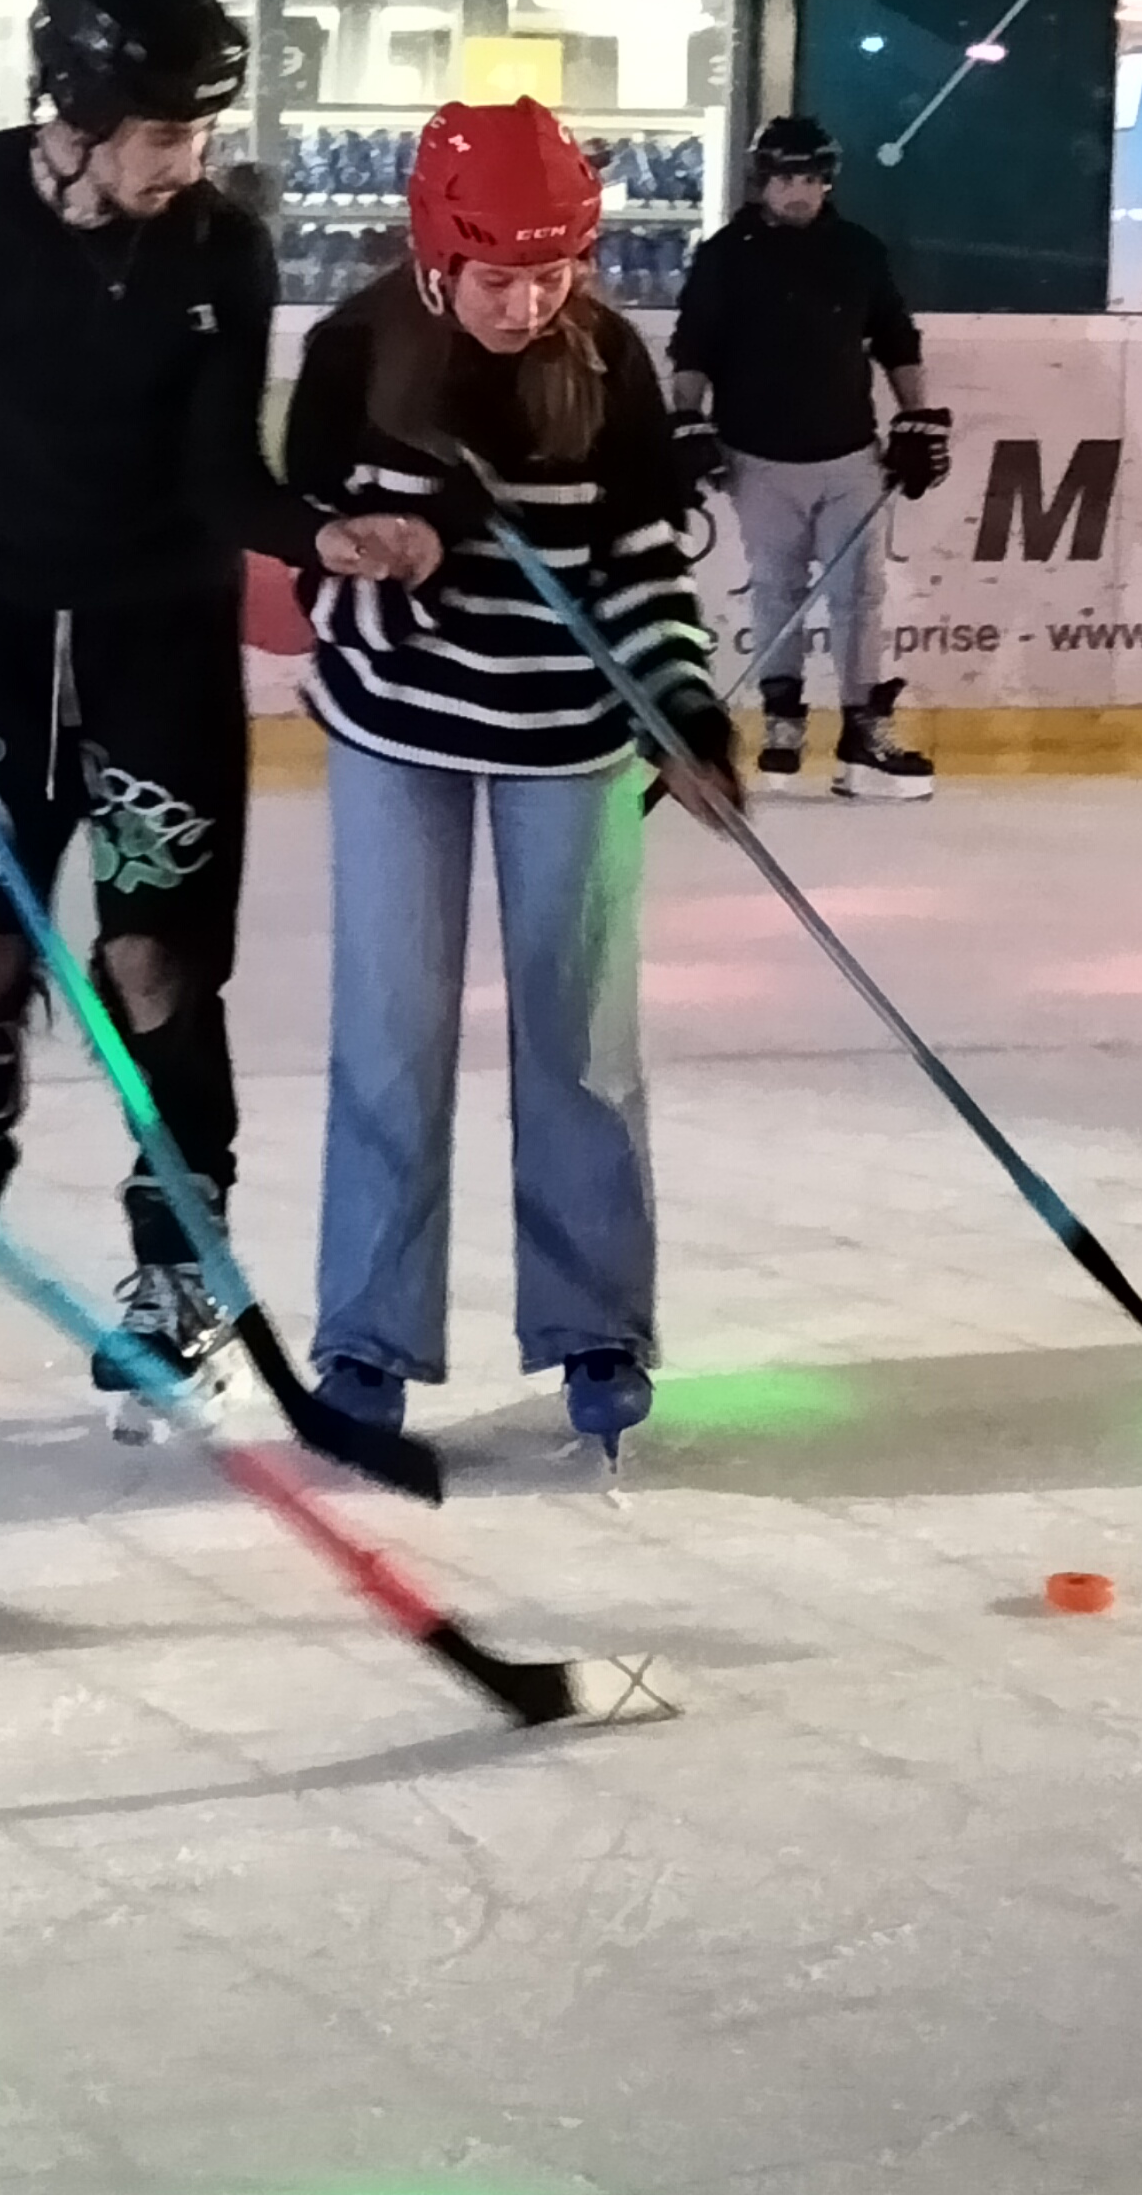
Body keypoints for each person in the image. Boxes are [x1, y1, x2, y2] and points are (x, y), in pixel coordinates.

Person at [0, 0, 439, 1405]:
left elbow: (224, 477)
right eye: (163, 133)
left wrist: (323, 534)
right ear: (74, 115)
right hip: (4, 629)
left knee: (151, 958)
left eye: (203, 132)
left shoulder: (221, 246)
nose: (188, 161)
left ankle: (181, 1263)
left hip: (159, 637)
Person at [282, 98, 738, 1460]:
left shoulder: (606, 361)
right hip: (398, 728)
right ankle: (367, 1338)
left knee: (581, 1044)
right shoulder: (355, 350)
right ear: (438, 254)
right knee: (391, 1038)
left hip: (571, 737)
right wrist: (405, 543)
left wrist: (685, 708)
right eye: (501, 276)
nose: (529, 300)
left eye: (555, 271)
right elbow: (316, 535)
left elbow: (646, 557)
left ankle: (596, 1323)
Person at [666, 112, 952, 797]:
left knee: (861, 594)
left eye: (811, 178)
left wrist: (918, 418)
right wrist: (685, 420)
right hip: (757, 456)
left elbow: (896, 340)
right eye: (785, 178)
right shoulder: (725, 253)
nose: (798, 191)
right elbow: (694, 345)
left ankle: (860, 733)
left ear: (828, 181)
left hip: (850, 452)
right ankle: (783, 725)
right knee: (776, 589)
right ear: (762, 180)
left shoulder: (859, 251)